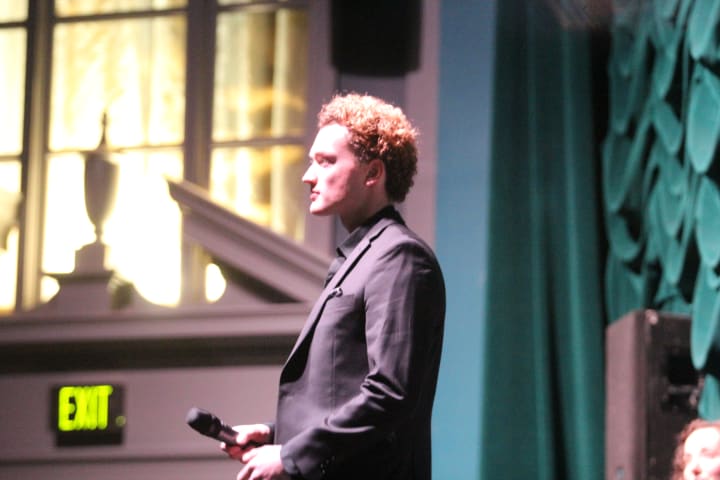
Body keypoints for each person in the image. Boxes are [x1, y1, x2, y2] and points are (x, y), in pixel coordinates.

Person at [222, 93, 446, 480]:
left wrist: (292, 455)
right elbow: (340, 395)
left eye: (326, 161)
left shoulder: (399, 257)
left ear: (372, 173)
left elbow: (390, 393)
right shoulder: (362, 257)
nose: (308, 175)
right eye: (313, 161)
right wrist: (276, 436)